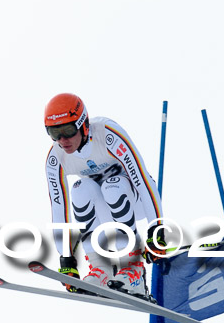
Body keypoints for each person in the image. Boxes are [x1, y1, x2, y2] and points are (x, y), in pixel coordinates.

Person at [44, 93, 167, 298]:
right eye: (54, 133)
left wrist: (157, 228)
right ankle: (101, 268)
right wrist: (66, 257)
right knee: (80, 188)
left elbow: (142, 181)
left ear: (83, 125)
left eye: (67, 130)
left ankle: (133, 268)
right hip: (104, 208)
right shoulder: (56, 157)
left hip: (135, 199)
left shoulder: (108, 135)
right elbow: (59, 208)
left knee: (113, 185)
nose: (62, 140)